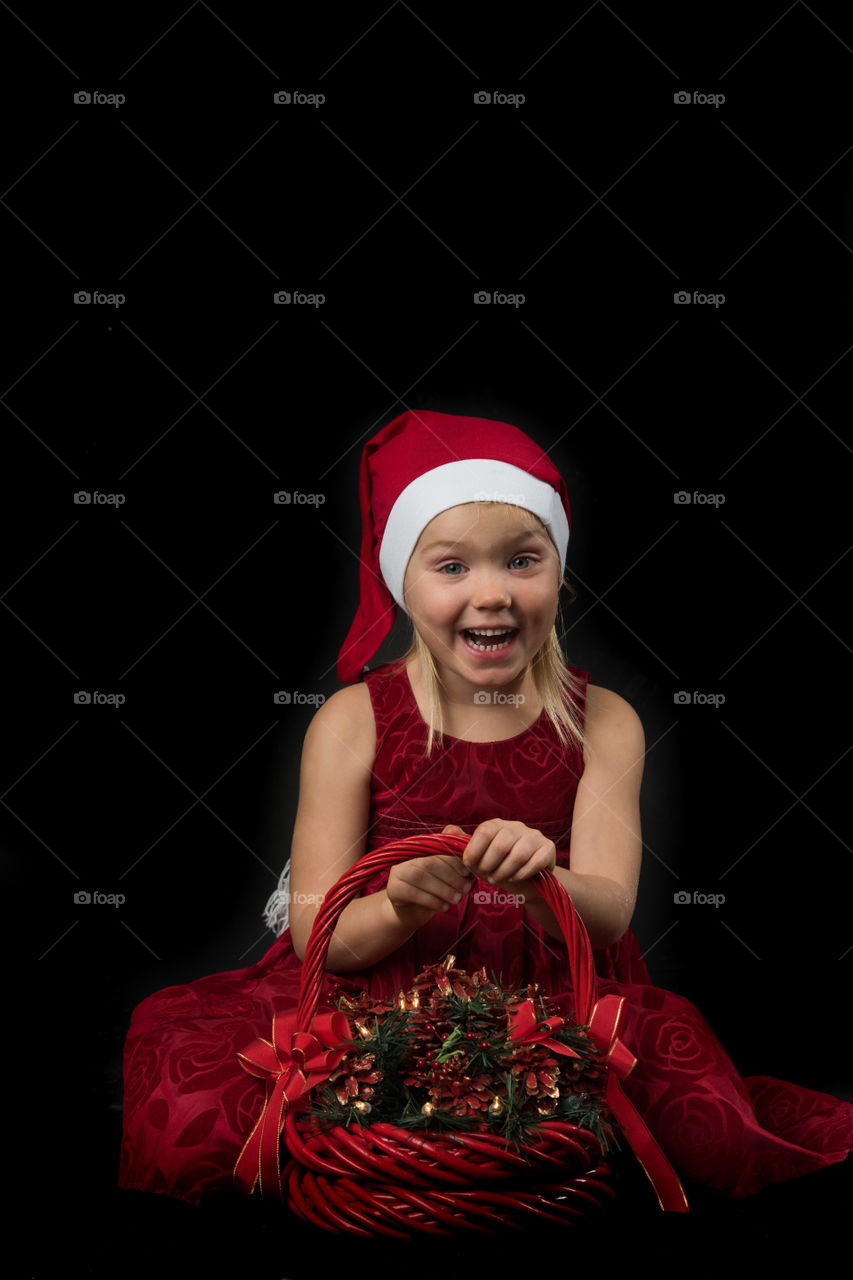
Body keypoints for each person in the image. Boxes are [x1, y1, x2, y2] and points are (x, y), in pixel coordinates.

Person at [118, 409, 853, 1207]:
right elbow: (314, 931)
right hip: (375, 992)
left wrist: (542, 880)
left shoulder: (602, 721)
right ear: (404, 581)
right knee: (200, 1095)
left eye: (522, 560)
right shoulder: (352, 721)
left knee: (688, 1124)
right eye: (452, 568)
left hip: (549, 996)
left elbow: (606, 914)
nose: (493, 593)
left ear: (560, 576)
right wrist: (397, 903)